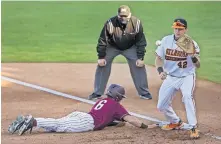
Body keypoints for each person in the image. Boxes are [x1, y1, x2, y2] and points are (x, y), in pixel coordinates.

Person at [8, 84, 157, 136]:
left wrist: (116, 123)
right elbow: (131, 119)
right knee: (59, 125)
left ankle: (33, 121)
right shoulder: (116, 106)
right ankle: (32, 121)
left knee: (58, 124)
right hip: (86, 122)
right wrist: (146, 126)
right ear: (119, 96)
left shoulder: (103, 100)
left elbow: (106, 118)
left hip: (81, 116)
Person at [88, 5, 152, 100]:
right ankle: (97, 93)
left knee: (138, 65)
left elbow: (140, 41)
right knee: (102, 65)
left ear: (130, 15)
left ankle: (144, 92)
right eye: (121, 16)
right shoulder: (110, 23)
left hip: (130, 47)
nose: (123, 18)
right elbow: (103, 40)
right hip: (112, 46)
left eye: (125, 16)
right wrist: (101, 57)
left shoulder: (136, 23)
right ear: (118, 15)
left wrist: (140, 57)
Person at [155, 18, 200, 139]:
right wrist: (160, 71)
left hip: (186, 76)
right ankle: (175, 121)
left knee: (187, 96)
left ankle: (193, 127)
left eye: (180, 29)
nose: (177, 31)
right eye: (176, 28)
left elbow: (198, 65)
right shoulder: (166, 40)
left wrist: (192, 55)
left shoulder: (192, 43)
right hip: (170, 77)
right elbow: (158, 59)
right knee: (161, 105)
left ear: (185, 30)